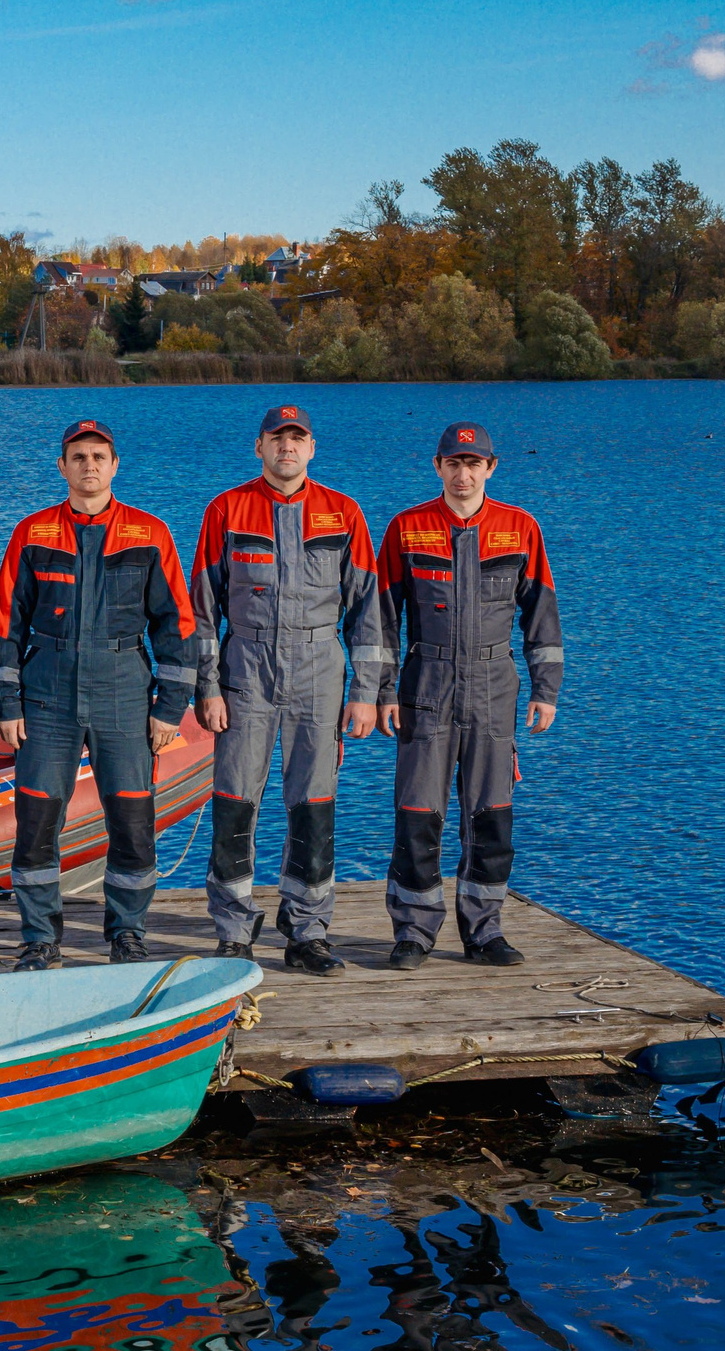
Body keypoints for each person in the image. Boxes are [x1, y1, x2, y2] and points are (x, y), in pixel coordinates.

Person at [190, 404, 390, 976]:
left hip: (319, 668)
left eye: (297, 439)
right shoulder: (227, 510)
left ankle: (307, 930)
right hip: (245, 667)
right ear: (259, 447)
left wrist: (365, 691)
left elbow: (368, 612)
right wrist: (208, 686)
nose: (287, 447)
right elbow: (202, 610)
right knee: (234, 801)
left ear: (312, 448)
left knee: (313, 805)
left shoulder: (342, 513)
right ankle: (233, 929)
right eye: (277, 438)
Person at [0, 420, 195, 967]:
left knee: (131, 818)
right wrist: (7, 706)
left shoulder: (150, 534)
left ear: (115, 464)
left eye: (99, 456)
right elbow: (5, 626)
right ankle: (39, 937)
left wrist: (170, 708)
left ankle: (127, 930)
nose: (89, 466)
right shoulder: (31, 534)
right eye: (78, 457)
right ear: (62, 467)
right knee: (36, 819)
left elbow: (177, 627)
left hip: (124, 687)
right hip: (47, 691)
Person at [378, 422, 562, 969]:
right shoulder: (407, 529)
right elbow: (382, 620)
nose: (463, 474)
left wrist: (545, 690)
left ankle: (484, 932)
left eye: (473, 464)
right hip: (425, 686)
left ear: (491, 467)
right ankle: (413, 931)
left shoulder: (519, 528)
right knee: (418, 814)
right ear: (437, 467)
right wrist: (383, 690)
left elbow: (542, 617)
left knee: (491, 815)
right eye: (453, 464)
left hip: (494, 686)